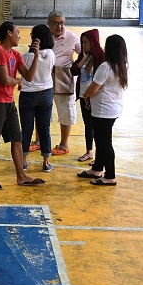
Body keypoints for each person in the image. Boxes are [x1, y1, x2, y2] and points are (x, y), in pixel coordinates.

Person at [0, 21, 44, 190]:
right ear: (9, 33)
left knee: (17, 139)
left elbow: (29, 77)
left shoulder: (15, 55)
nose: (19, 35)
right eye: (17, 32)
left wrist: (36, 56)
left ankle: (21, 176)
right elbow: (5, 80)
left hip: (9, 102)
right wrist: (18, 80)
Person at [78, 34, 128, 186]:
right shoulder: (122, 65)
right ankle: (97, 168)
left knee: (104, 142)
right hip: (112, 109)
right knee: (100, 140)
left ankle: (110, 176)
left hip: (103, 111)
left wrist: (86, 96)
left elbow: (93, 89)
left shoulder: (106, 67)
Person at [19, 24, 56, 173]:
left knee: (26, 129)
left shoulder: (26, 56)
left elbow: (25, 73)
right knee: (44, 128)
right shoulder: (51, 54)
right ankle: (46, 162)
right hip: (46, 93)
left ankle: (24, 160)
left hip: (28, 94)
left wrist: (32, 51)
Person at [46, 11, 81, 156]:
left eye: (62, 23)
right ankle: (38, 141)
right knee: (42, 110)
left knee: (66, 110)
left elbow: (85, 55)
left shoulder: (72, 37)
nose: (60, 26)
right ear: (49, 24)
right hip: (45, 79)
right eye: (56, 23)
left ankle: (64, 144)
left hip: (64, 79)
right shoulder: (44, 36)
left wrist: (76, 69)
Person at [72, 29, 105, 163]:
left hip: (95, 97)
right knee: (88, 124)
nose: (83, 45)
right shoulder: (84, 55)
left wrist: (92, 95)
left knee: (97, 126)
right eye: (82, 42)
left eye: (86, 42)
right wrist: (83, 59)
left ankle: (99, 155)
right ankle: (89, 151)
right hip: (83, 95)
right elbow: (73, 71)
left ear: (93, 42)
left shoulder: (101, 57)